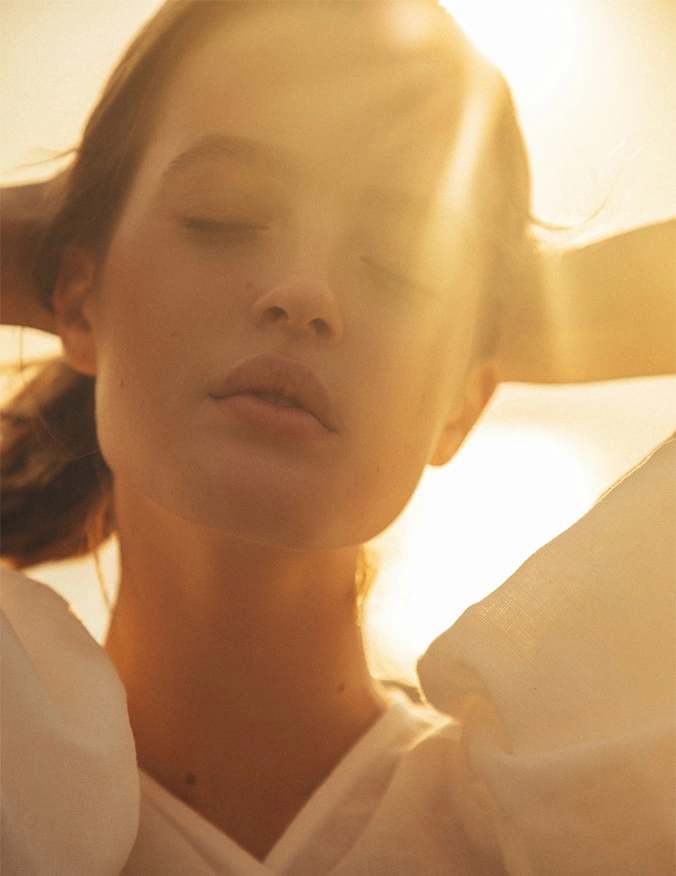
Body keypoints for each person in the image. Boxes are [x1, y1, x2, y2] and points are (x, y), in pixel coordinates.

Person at [1, 2, 674, 874]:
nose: (303, 292)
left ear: (466, 406)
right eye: (224, 215)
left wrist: (494, 319)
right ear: (78, 301)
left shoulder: (568, 816)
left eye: (400, 262)